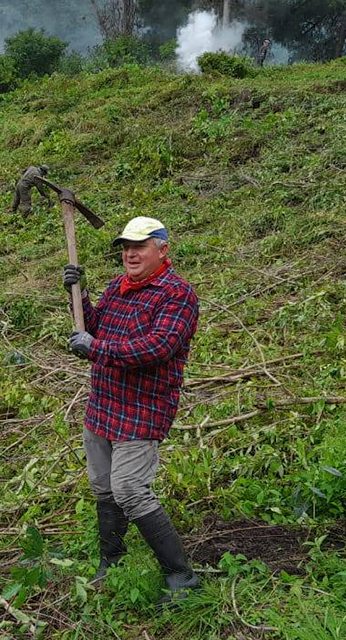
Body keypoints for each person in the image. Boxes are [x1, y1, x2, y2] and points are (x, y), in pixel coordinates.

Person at [62, 216, 200, 607]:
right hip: (103, 404)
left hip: (143, 408)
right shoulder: (118, 289)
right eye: (125, 247)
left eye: (139, 246)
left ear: (162, 249)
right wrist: (80, 296)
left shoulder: (177, 294)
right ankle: (111, 561)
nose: (130, 254)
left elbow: (157, 347)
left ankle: (181, 575)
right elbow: (96, 328)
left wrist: (96, 348)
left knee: (130, 489)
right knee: (104, 488)